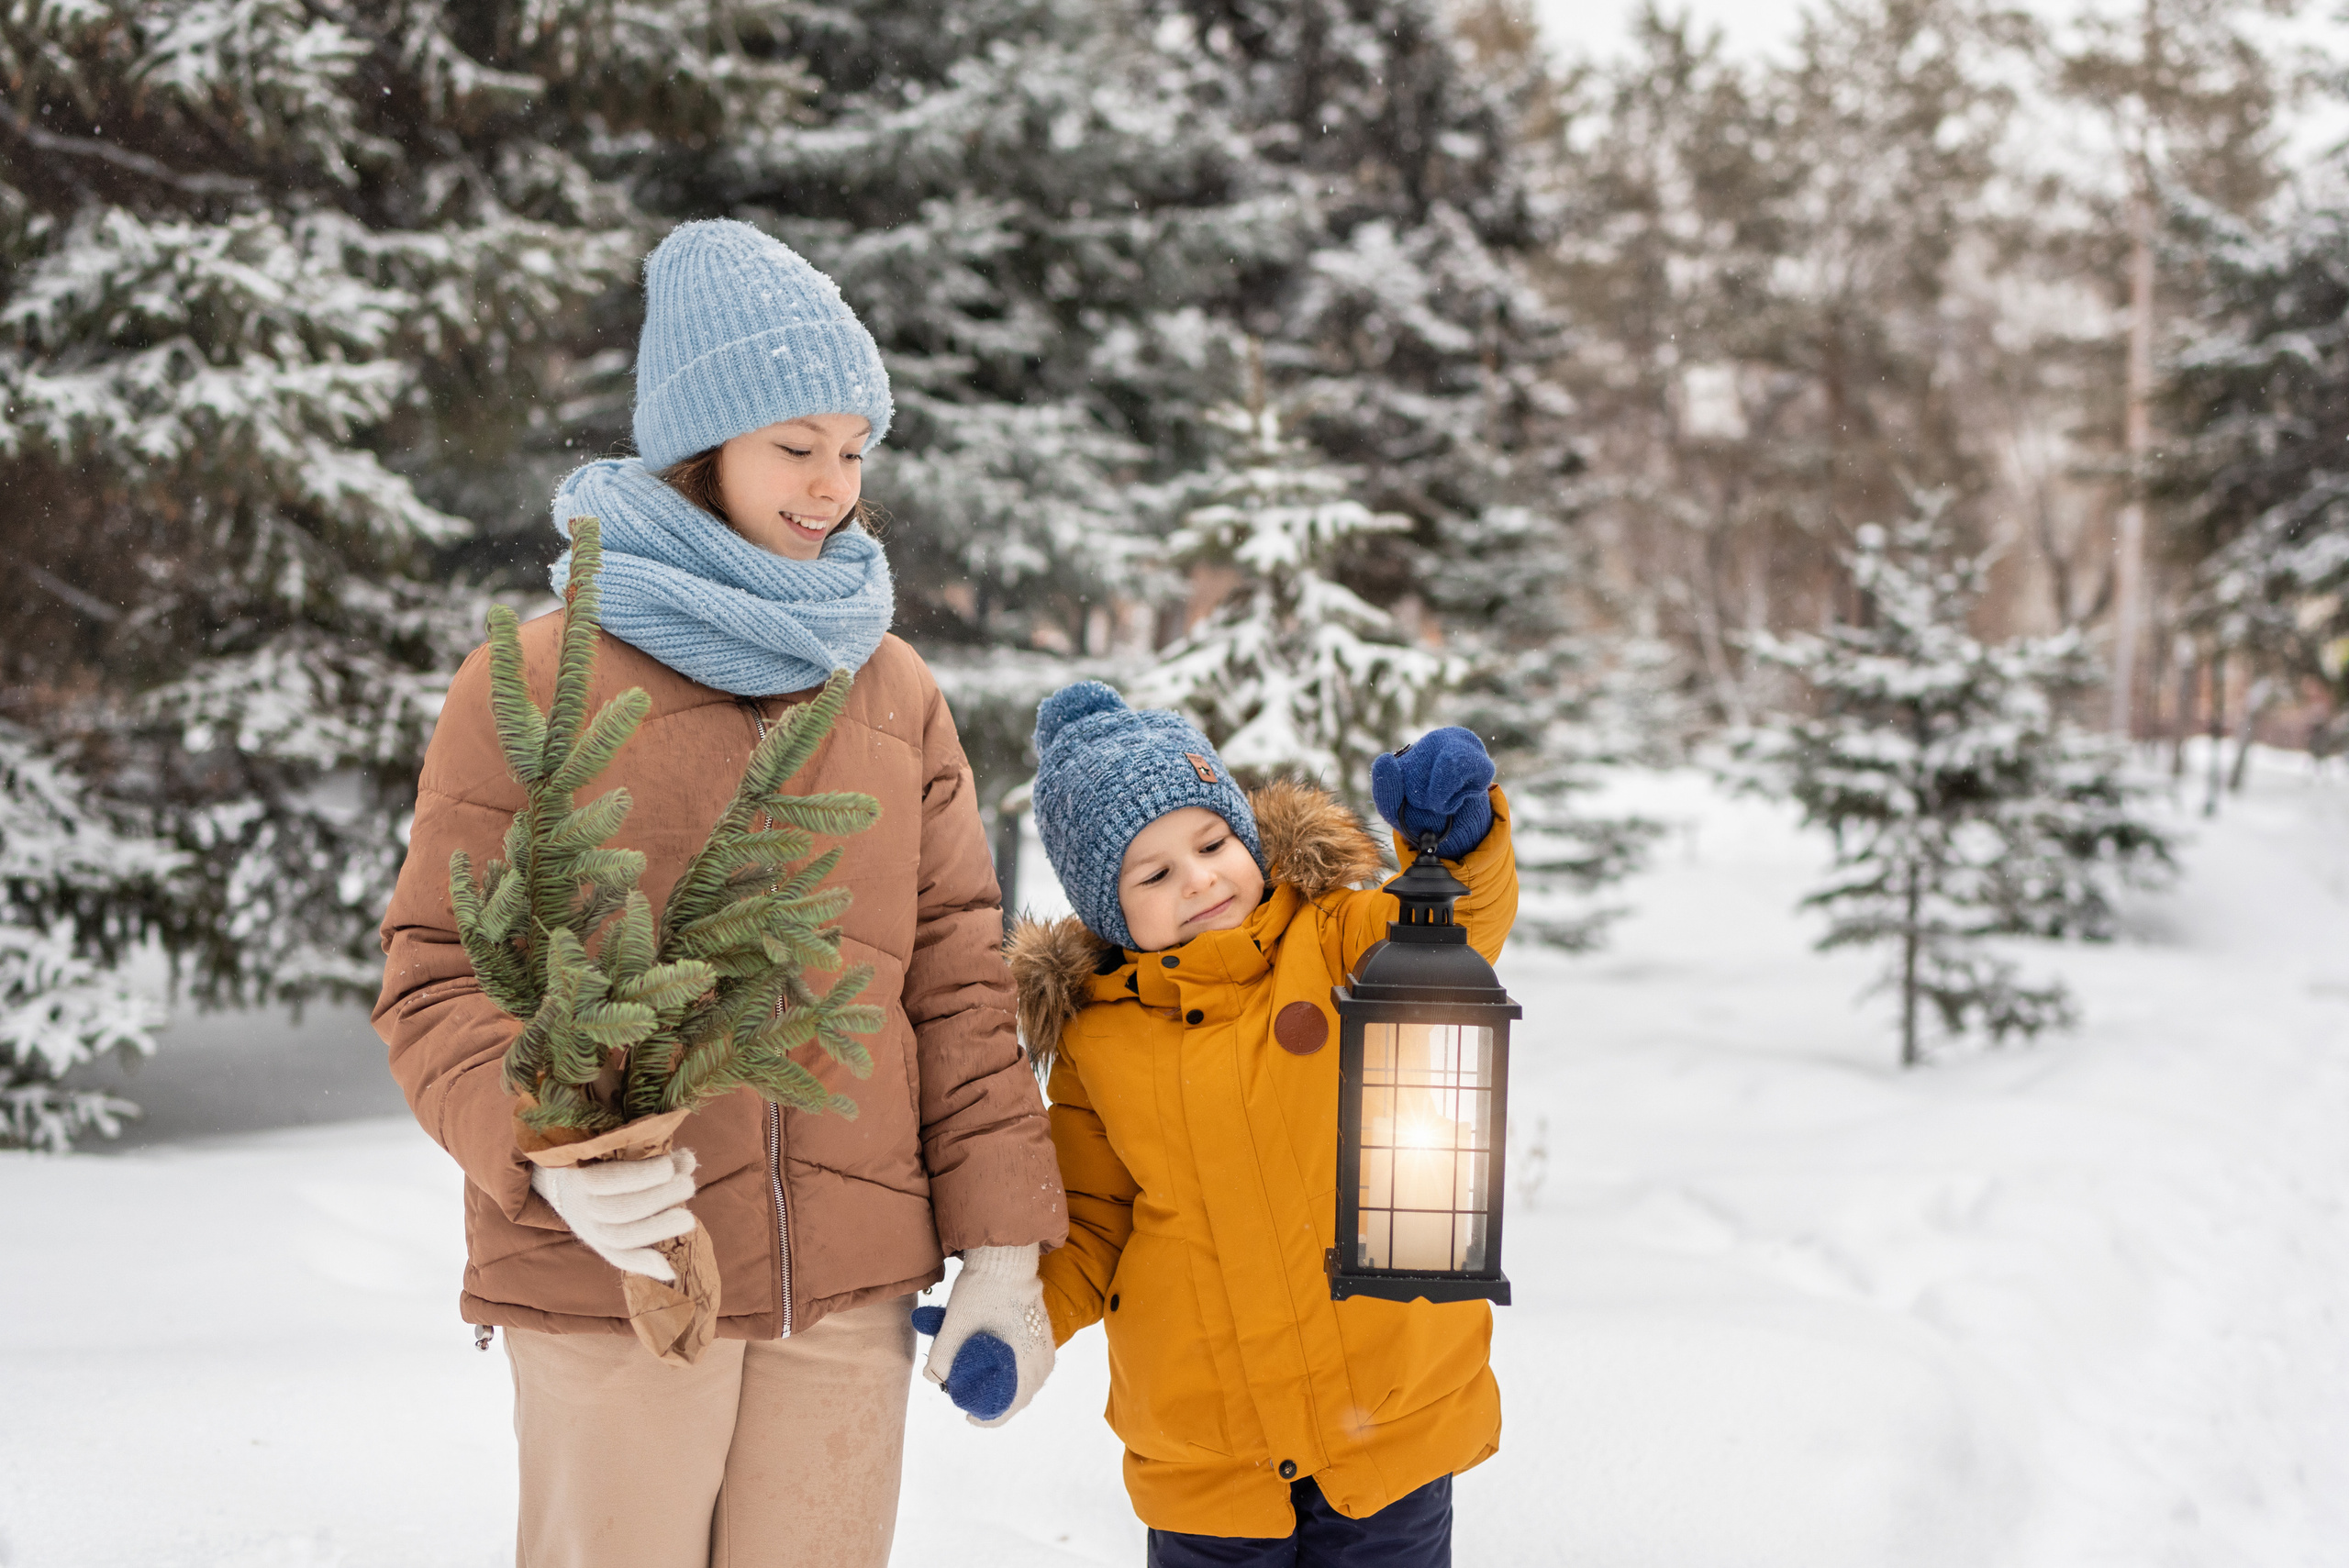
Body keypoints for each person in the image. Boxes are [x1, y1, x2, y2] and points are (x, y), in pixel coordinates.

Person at [374, 218, 1064, 1568]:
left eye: (853, 451)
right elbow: (437, 971)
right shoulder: (540, 678)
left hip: (849, 1287)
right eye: (795, 445)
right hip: (617, 1272)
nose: (830, 487)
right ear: (700, 449)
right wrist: (548, 1153)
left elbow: (956, 984)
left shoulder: (891, 689)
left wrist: (1003, 1245)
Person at [1008, 682, 1516, 1567]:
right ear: (1106, 910)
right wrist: (1018, 1321)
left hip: (1385, 1417)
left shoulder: (1336, 937)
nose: (1200, 878)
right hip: (1210, 1452)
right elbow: (1092, 1219)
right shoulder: (1099, 1038)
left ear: (1244, 834)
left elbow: (1455, 930)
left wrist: (1457, 841)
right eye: (1154, 873)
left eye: (1211, 843)